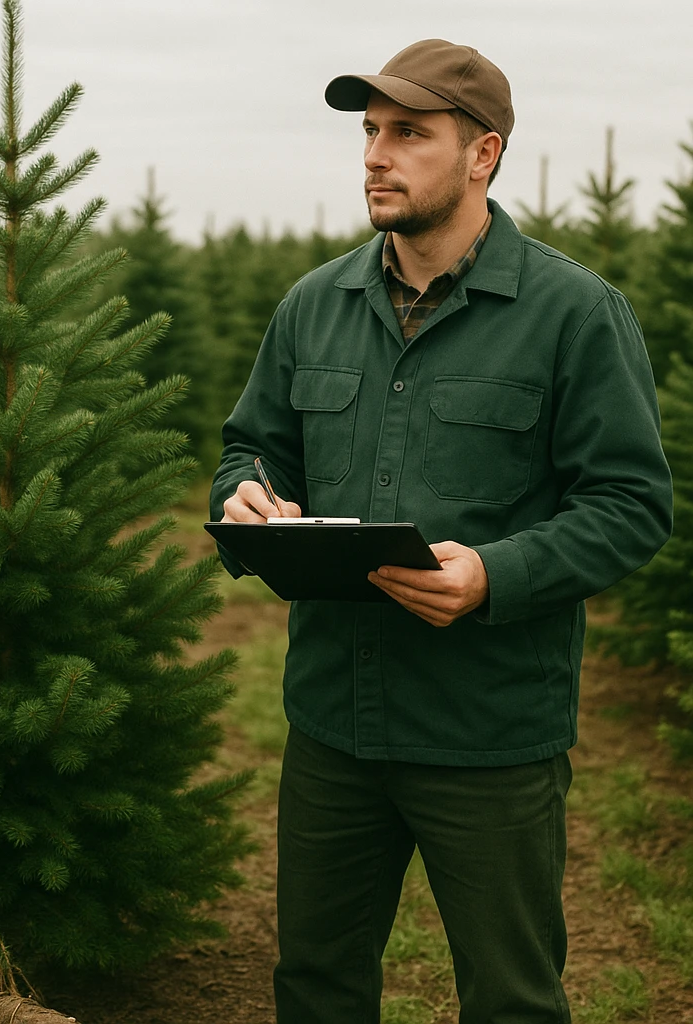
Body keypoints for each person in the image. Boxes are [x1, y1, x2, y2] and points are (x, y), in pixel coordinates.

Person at [209, 38, 672, 1024]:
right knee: (317, 986)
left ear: (482, 154)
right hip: (333, 723)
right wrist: (248, 496)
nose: (376, 154)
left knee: (509, 996)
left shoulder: (573, 314)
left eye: (409, 133)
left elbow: (631, 504)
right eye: (370, 131)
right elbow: (251, 447)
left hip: (488, 733)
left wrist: (493, 576)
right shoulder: (312, 308)